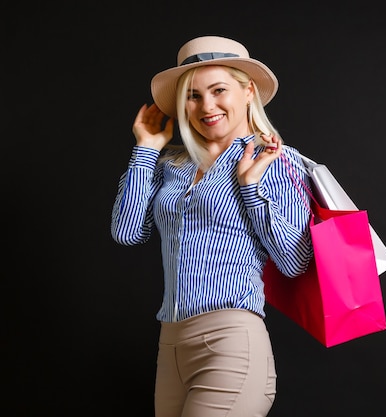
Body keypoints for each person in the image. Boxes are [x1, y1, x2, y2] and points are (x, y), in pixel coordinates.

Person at [111, 35, 314, 417]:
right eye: (193, 95)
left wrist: (250, 187)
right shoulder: (171, 164)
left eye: (219, 90)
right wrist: (146, 149)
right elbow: (126, 232)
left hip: (231, 340)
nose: (207, 106)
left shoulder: (276, 160)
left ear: (248, 91)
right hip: (171, 345)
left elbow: (294, 261)